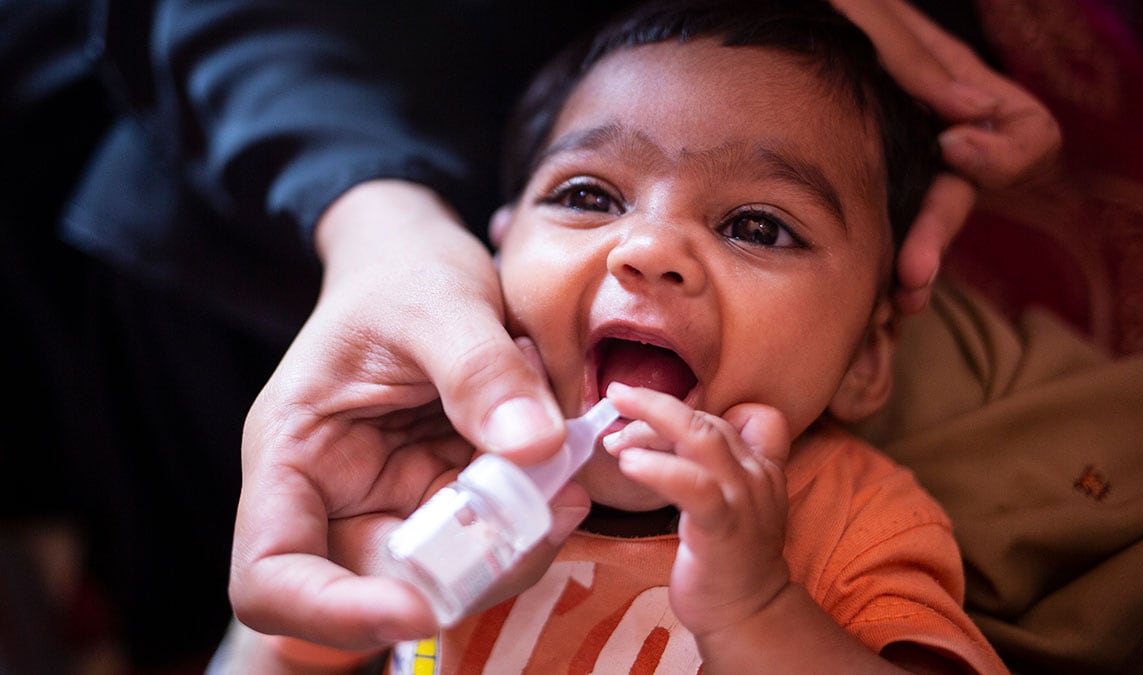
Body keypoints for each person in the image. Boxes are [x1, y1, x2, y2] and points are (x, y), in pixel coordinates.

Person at [0, 0, 1056, 668]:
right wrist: (293, 633)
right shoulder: (420, 476)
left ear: (870, 358)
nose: (650, 251)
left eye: (756, 225)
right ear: (494, 251)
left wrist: (761, 608)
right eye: (592, 195)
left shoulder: (844, 523)